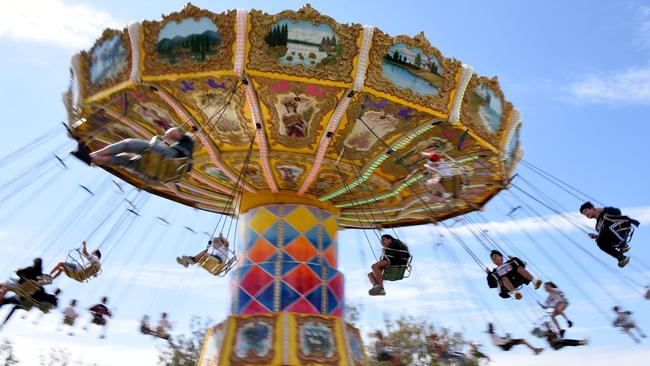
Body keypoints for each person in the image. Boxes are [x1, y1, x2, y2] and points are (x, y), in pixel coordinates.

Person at [75, 127, 194, 171]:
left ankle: (91, 156)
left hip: (168, 157)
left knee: (128, 144)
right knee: (124, 159)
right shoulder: (188, 155)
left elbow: (173, 133)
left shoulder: (187, 140)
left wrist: (171, 132)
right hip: (155, 172)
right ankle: (92, 159)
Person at [580, 202, 639, 267]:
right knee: (599, 242)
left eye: (586, 211)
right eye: (584, 214)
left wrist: (604, 209)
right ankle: (620, 257)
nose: (586, 214)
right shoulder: (597, 226)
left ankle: (623, 244)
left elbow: (617, 211)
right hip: (613, 233)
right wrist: (596, 236)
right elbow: (605, 236)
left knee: (605, 227)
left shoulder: (605, 212)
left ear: (593, 209)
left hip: (622, 226)